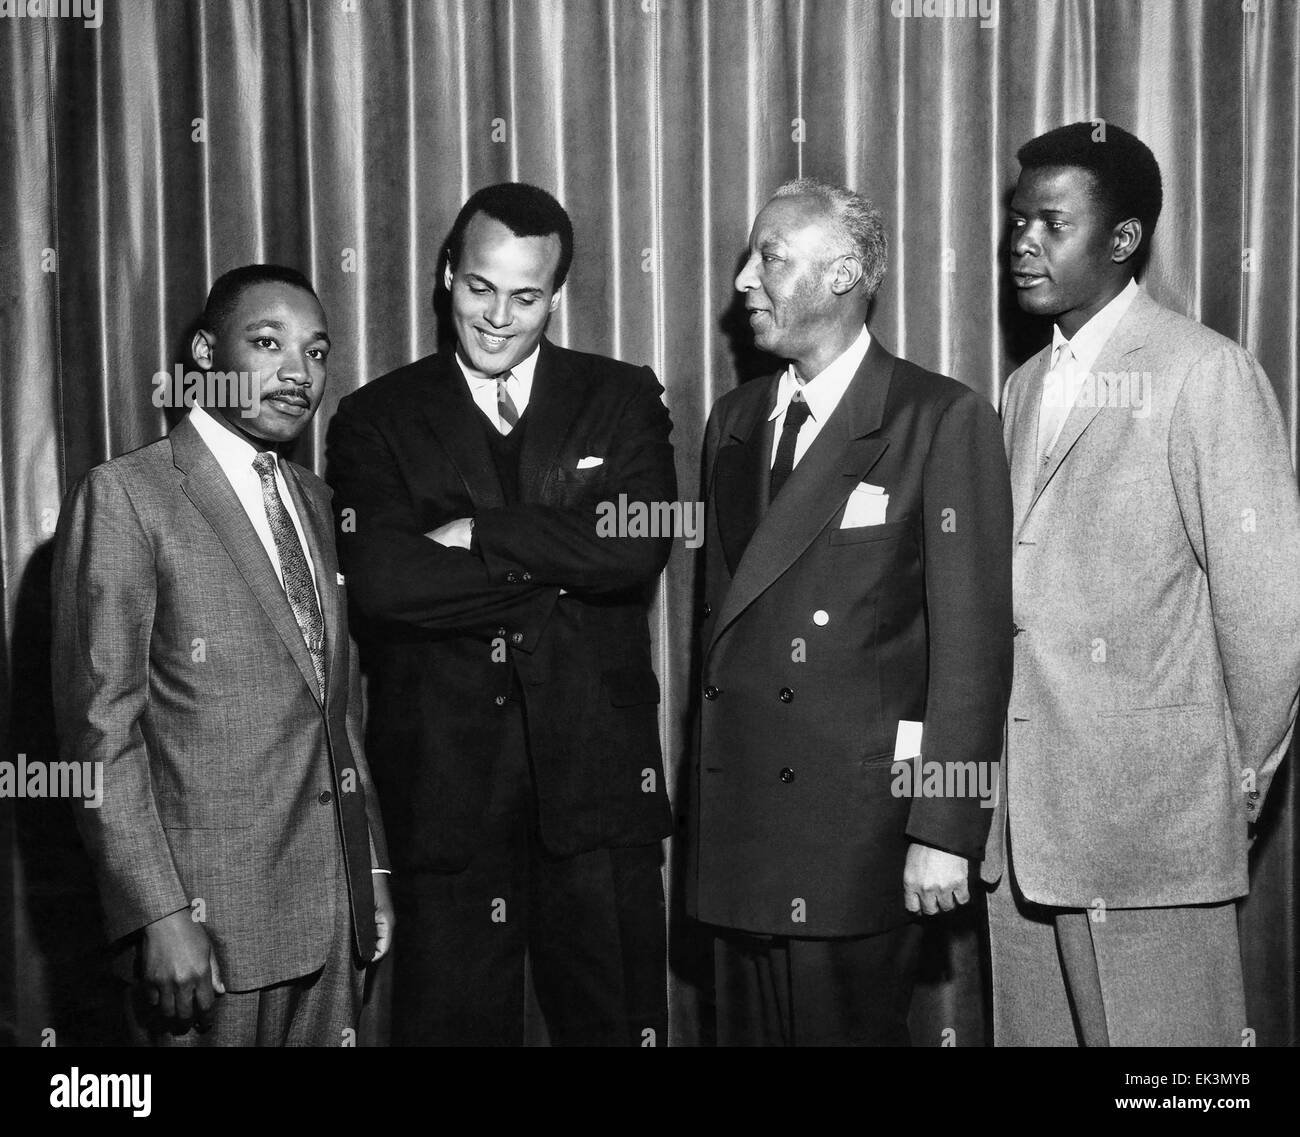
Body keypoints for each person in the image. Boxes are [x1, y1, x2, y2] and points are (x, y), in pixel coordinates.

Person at [328, 182, 676, 1046]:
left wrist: (479, 531)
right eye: (480, 287)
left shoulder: (623, 395)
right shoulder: (374, 416)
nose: (497, 316)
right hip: (445, 792)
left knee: (617, 1025)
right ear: (448, 274)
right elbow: (383, 583)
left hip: (597, 790)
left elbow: (635, 546)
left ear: (556, 296)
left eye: (526, 296)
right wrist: (561, 564)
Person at [984, 121, 1300, 1045]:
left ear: (1122, 241)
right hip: (1025, 832)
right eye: (1016, 221)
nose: (1022, 243)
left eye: (1051, 222)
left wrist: (1229, 786)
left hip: (1152, 825)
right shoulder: (1023, 387)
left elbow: (1269, 610)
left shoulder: (1205, 372)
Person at [687, 178, 1013, 1045]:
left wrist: (945, 828)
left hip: (853, 838)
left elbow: (974, 651)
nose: (744, 282)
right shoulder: (733, 419)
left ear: (843, 277)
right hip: (739, 835)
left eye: (771, 259)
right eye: (750, 257)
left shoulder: (938, 418)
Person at [51, 264, 393, 1046]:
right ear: (205, 353)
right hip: (208, 932)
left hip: (333, 918)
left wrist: (367, 865)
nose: (296, 373)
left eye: (315, 351)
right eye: (266, 343)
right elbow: (101, 731)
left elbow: (335, 706)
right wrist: (158, 915)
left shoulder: (314, 498)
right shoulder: (127, 494)